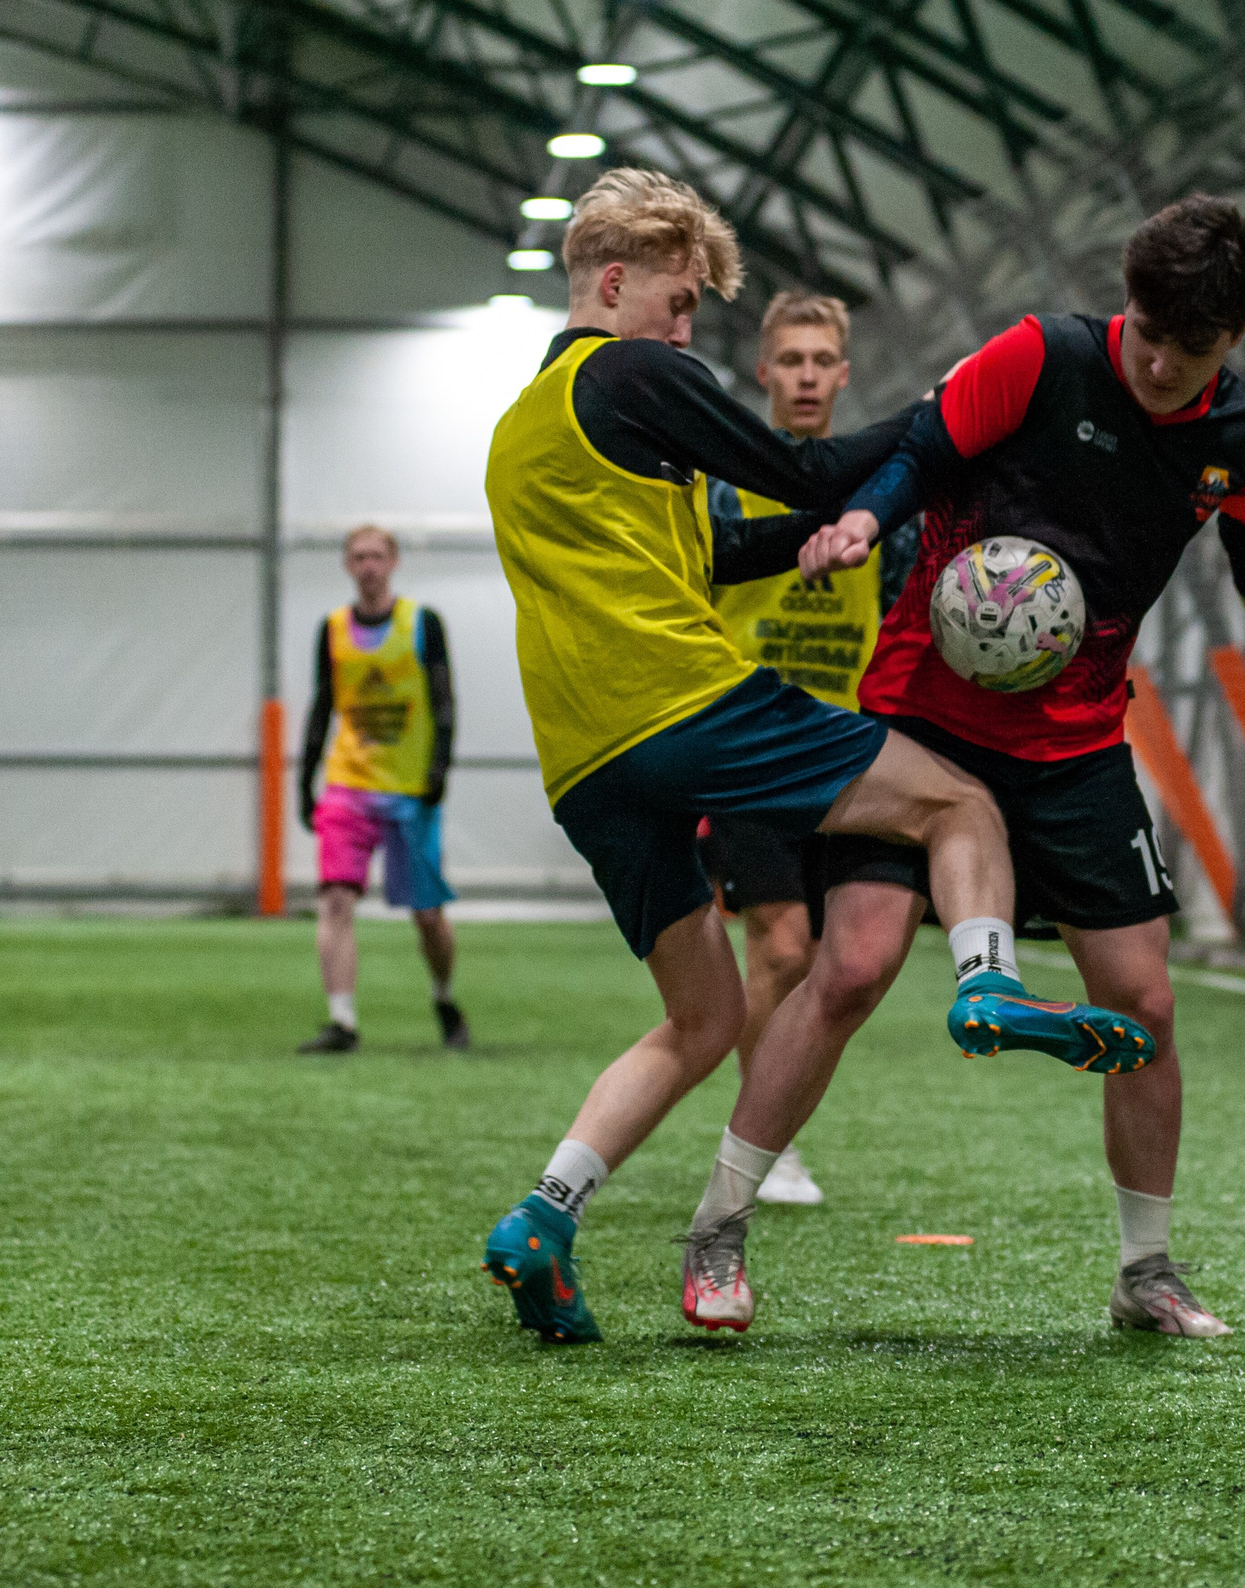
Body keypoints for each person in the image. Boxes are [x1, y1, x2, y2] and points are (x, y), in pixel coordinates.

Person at [476, 168, 1152, 1346]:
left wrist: (828, 539)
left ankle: (546, 1214)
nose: (689, 334)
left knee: (703, 1018)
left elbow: (727, 545)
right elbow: (799, 467)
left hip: (584, 766)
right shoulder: (632, 369)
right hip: (685, 707)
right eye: (680, 304)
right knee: (957, 805)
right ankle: (987, 979)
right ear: (616, 281)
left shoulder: (530, 425)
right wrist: (941, 418)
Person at [681, 192, 1245, 1340]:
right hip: (921, 715)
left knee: (1145, 1002)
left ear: (1236, 339)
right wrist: (868, 524)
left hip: (1075, 744)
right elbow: (918, 459)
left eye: (1198, 349)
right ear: (1128, 305)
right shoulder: (1040, 357)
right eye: (1154, 336)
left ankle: (1147, 1272)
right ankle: (718, 1232)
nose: (1167, 366)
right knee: (851, 968)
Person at [698, 291, 890, 1208]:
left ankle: (772, 1130)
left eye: (824, 361)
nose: (808, 376)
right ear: (765, 372)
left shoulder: (878, 493)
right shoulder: (728, 485)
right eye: (792, 360)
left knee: (830, 964)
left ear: (843, 375)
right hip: (750, 742)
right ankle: (763, 1142)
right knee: (780, 947)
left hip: (844, 750)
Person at [295, 525, 465, 1054]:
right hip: (348, 785)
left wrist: (439, 770)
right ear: (347, 566)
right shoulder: (332, 629)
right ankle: (342, 1021)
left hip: (410, 788)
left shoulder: (422, 623)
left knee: (427, 915)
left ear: (392, 562)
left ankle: (443, 996)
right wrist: (305, 780)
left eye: (376, 556)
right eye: (358, 557)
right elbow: (322, 706)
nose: (368, 565)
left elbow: (444, 701)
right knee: (336, 900)